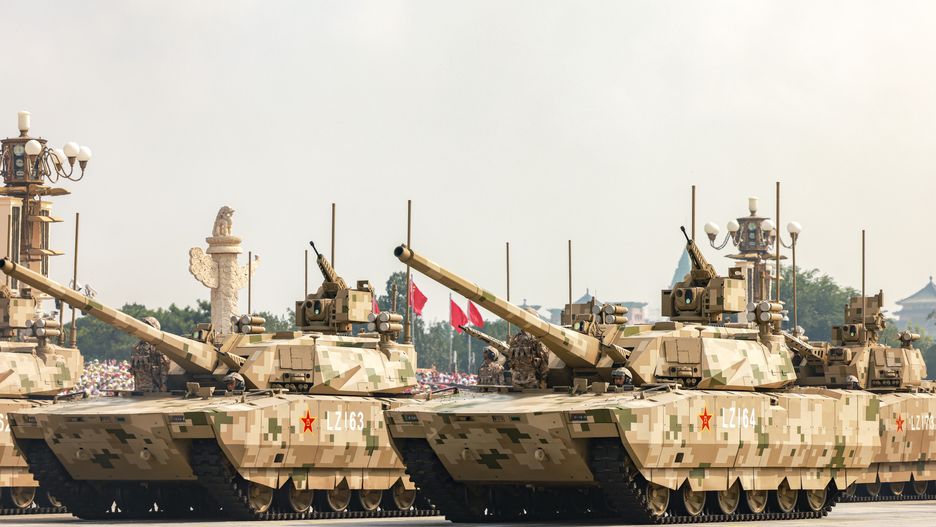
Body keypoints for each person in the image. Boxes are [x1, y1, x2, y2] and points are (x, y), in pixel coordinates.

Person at [130, 317, 169, 392]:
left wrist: (163, 388)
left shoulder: (157, 348)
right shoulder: (136, 348)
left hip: (153, 390)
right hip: (139, 390)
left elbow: (163, 370)